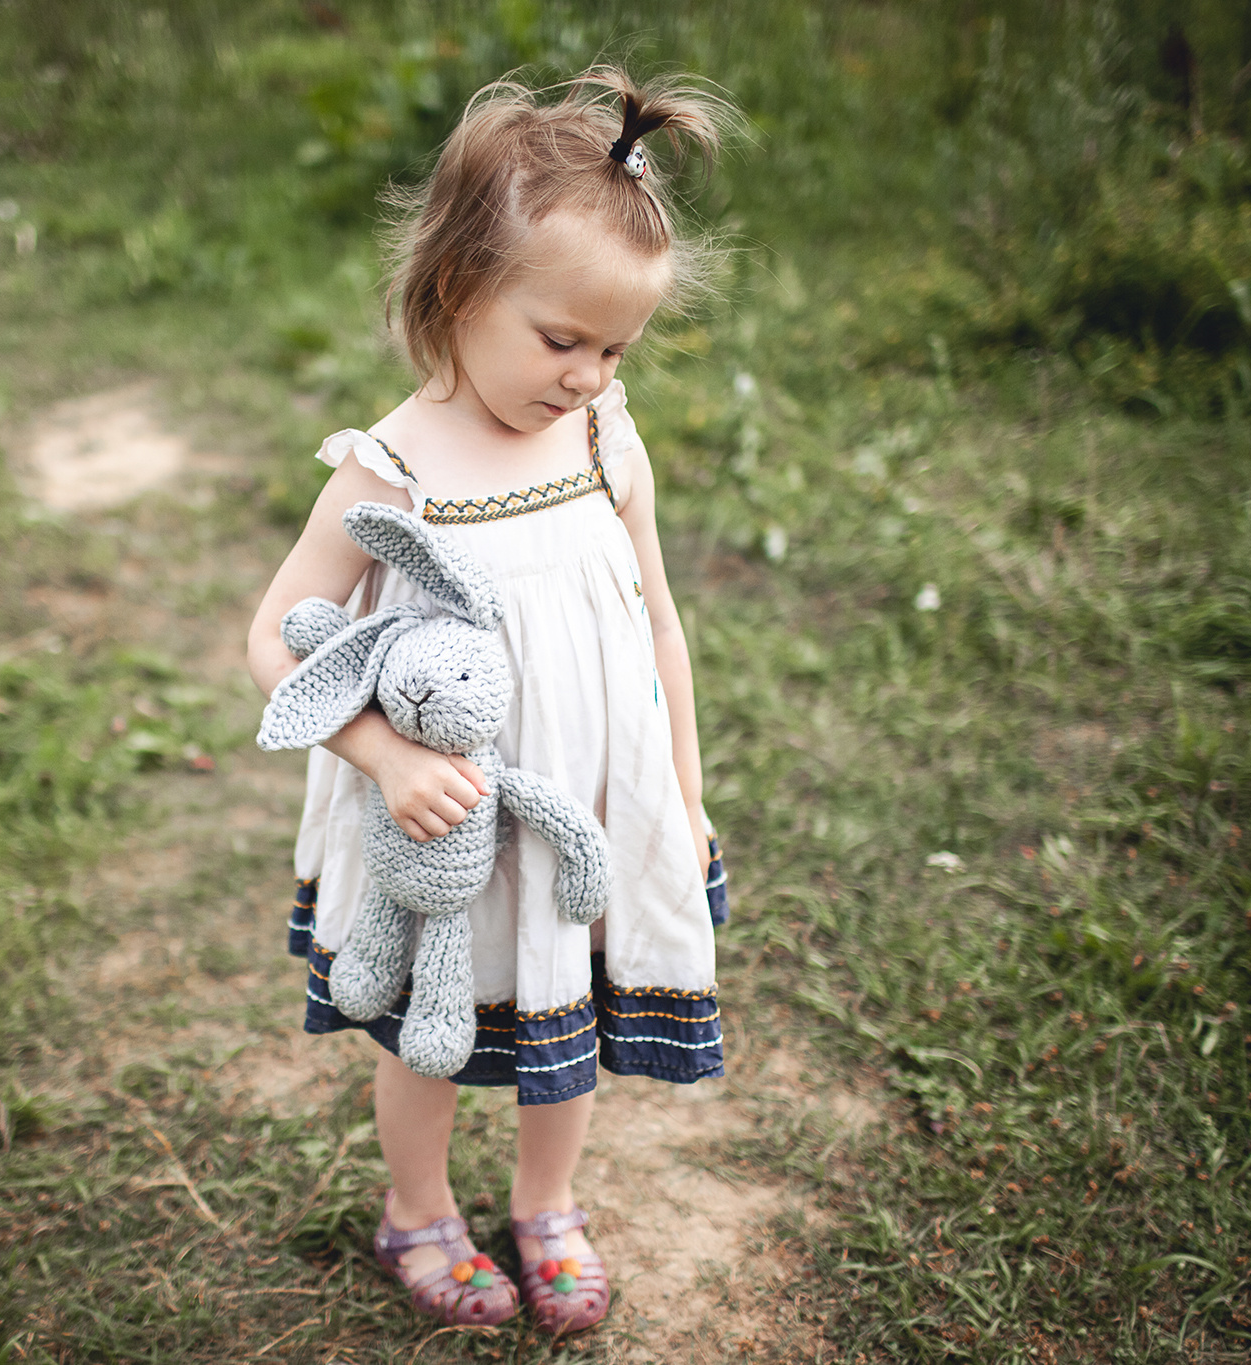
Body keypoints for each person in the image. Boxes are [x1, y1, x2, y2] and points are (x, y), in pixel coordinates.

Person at [245, 64, 735, 1336]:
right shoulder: (388, 466)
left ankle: (546, 1206)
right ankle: (415, 1210)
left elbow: (657, 626)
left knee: (564, 1017)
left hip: (578, 800)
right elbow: (267, 636)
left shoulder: (601, 438)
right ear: (457, 290)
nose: (585, 374)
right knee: (429, 1035)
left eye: (614, 346)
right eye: (559, 339)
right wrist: (381, 760)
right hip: (437, 830)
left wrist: (681, 797)